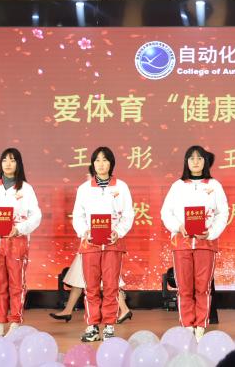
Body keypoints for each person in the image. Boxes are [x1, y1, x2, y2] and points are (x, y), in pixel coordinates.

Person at [160, 145, 229, 341]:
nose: (196, 161)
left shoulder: (214, 185)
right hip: (181, 243)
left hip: (205, 243)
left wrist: (211, 232)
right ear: (186, 162)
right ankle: (187, 326)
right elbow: (166, 212)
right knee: (184, 287)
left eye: (200, 158)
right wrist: (178, 226)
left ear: (205, 162)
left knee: (203, 287)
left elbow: (223, 212)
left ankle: (200, 326)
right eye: (191, 158)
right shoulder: (177, 186)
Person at [0, 148, 42, 337]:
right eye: (4, 160)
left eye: (12, 160)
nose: (8, 164)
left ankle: (15, 322)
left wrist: (19, 228)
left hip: (16, 242)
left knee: (16, 284)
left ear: (18, 164)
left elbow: (36, 216)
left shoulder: (26, 189)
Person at [74, 147, 134, 342]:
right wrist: (85, 232)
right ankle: (92, 326)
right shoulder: (84, 189)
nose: (101, 164)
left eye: (105, 160)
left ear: (111, 163)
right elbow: (78, 215)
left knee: (111, 286)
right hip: (90, 244)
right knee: (90, 287)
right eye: (97, 160)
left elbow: (128, 214)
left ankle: (109, 325)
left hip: (112, 244)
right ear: (92, 164)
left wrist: (119, 232)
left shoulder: (121, 187)